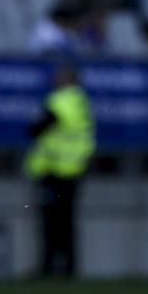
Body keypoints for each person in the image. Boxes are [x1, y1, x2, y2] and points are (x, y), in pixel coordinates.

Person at [25, 63, 96, 278]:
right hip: (74, 170)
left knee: (51, 224)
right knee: (67, 223)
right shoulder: (81, 102)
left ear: (66, 79)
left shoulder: (60, 100)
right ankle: (68, 269)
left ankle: (48, 268)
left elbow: (38, 128)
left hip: (55, 171)